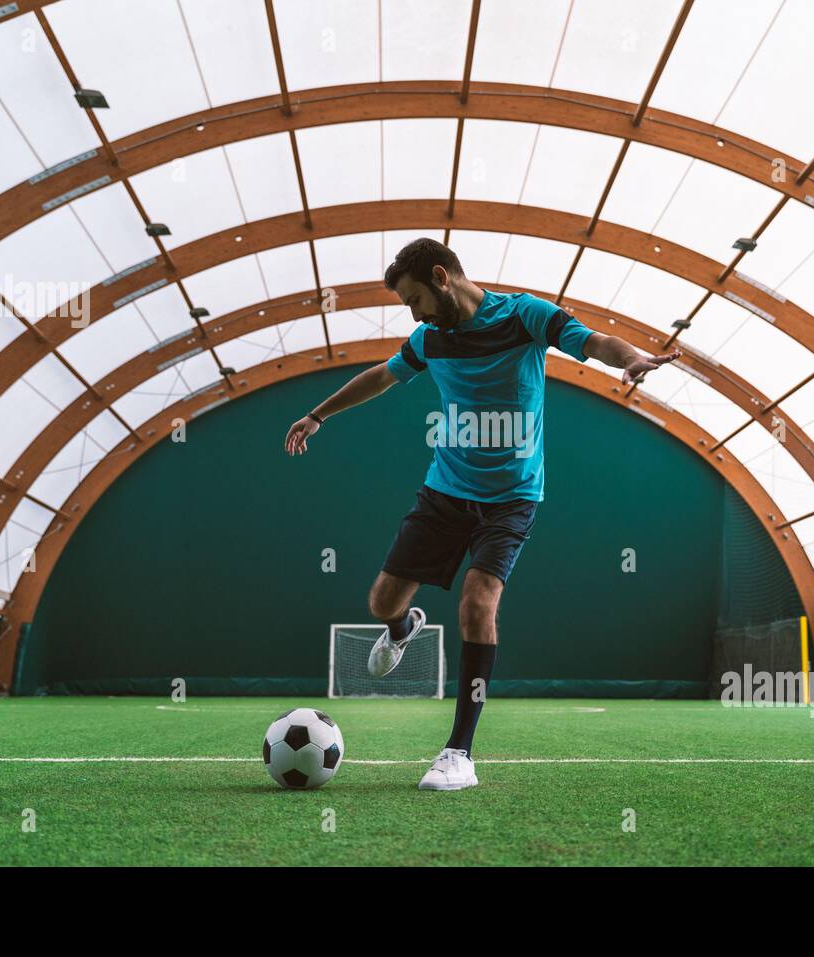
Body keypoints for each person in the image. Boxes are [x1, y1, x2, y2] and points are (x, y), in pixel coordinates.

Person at [285, 238, 678, 790]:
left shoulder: (524, 315)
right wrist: (317, 415)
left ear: (442, 277)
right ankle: (402, 629)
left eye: (414, 299)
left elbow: (593, 342)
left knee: (477, 603)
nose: (414, 313)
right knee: (381, 601)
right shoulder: (429, 340)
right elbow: (380, 376)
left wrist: (632, 356)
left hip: (512, 499)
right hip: (444, 492)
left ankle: (458, 753)